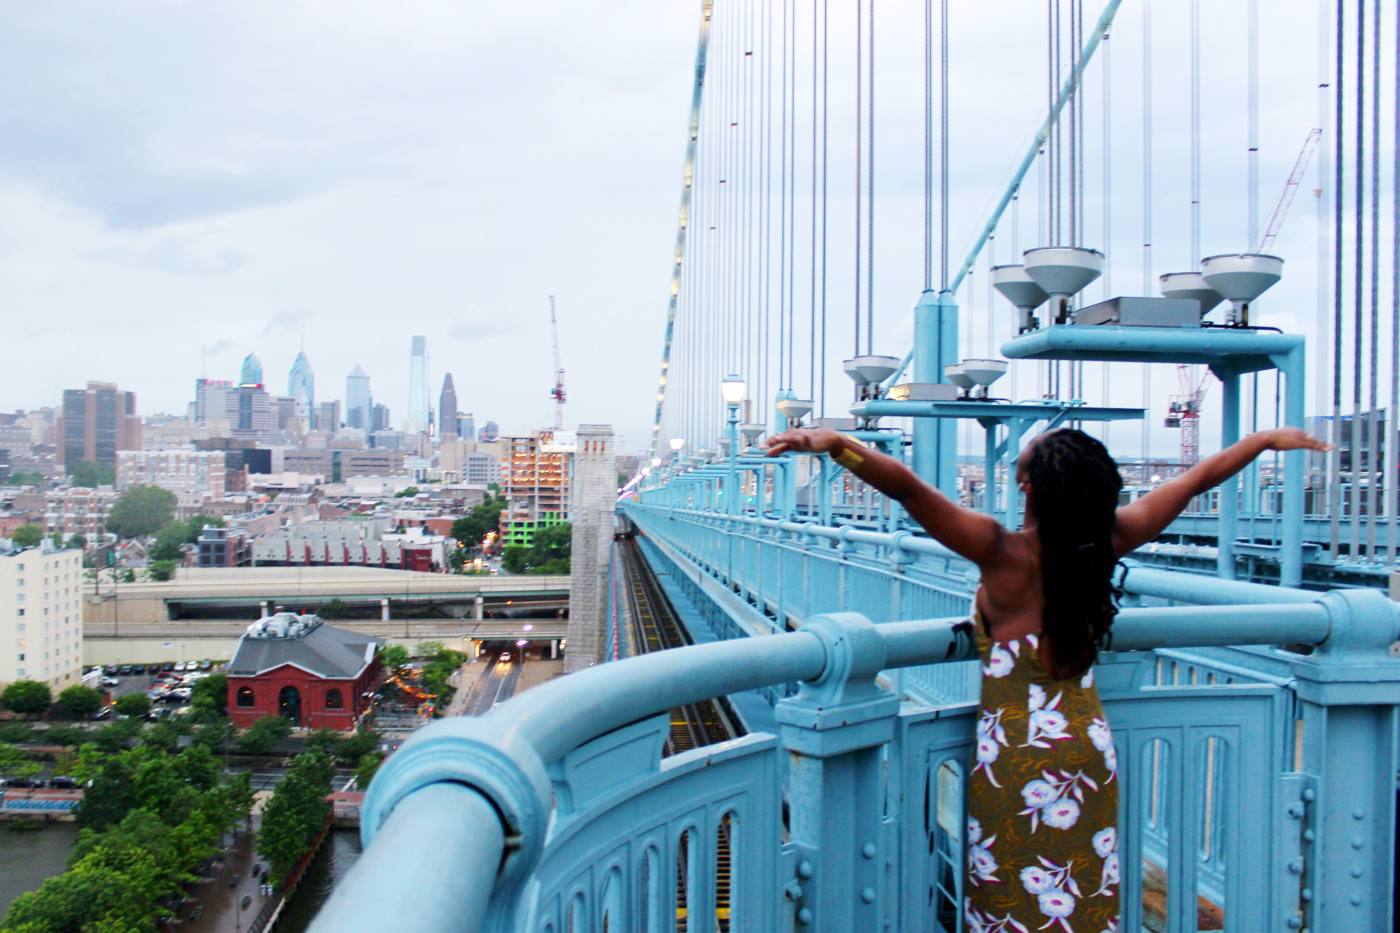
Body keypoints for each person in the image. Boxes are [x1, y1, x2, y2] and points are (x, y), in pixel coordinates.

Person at [765, 425, 1327, 933]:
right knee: (1079, 896)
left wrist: (837, 444)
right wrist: (1260, 442)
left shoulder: (999, 550)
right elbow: (1195, 480)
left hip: (1017, 758)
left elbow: (908, 491)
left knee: (1010, 897)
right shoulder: (1106, 543)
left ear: (1029, 484)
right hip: (1086, 752)